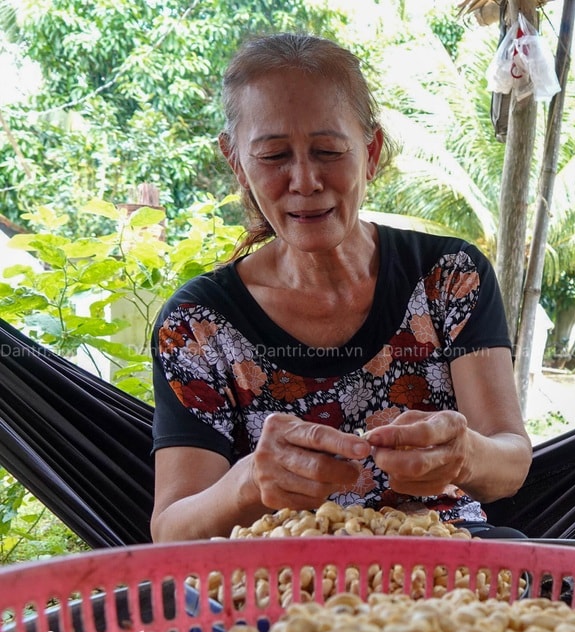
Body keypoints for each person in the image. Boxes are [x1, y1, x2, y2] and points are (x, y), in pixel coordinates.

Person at [148, 32, 532, 542]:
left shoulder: (449, 278)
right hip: (285, 576)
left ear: (371, 152)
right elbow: (172, 531)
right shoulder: (196, 327)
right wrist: (248, 482)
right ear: (236, 162)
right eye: (273, 156)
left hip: (446, 564)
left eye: (328, 151)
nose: (305, 181)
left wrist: (466, 453)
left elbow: (511, 462)